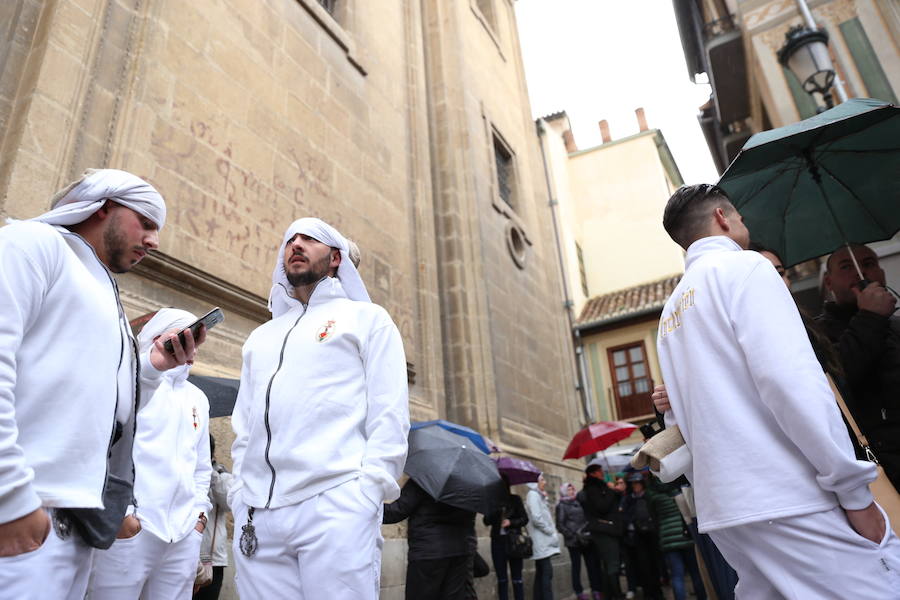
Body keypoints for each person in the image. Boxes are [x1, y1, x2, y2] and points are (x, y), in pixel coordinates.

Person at [657, 183, 899, 597]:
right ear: (722, 219)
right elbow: (792, 383)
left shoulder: (672, 311)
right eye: (740, 218)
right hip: (788, 493)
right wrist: (852, 491)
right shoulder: (746, 268)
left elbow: (680, 420)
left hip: (726, 509)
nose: (743, 225)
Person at [0, 169, 201, 599]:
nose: (154, 241)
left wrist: (149, 370)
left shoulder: (102, 288)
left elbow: (104, 410)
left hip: (72, 527)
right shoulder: (34, 245)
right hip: (24, 516)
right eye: (146, 223)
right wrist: (10, 496)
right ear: (101, 206)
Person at [229, 217, 410, 599]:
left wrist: (367, 493)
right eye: (290, 239)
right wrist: (239, 493)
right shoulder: (261, 337)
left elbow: (389, 412)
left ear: (335, 258)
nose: (296, 244)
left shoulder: (367, 320)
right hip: (258, 515)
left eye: (310, 238)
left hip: (336, 505)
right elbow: (244, 424)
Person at [89, 308, 212, 599]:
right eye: (182, 338)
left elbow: (201, 467)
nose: (189, 348)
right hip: (131, 530)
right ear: (157, 337)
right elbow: (104, 447)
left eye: (194, 340)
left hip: (182, 536)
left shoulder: (198, 398)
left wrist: (199, 519)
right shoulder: (127, 382)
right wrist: (124, 515)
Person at [817, 243, 900, 488]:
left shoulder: (895, 326)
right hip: (879, 470)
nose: (860, 272)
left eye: (869, 264)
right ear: (829, 283)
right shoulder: (819, 334)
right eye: (847, 267)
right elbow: (839, 380)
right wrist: (870, 318)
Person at [382, 478, 476, 600]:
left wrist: (365, 506)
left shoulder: (425, 478)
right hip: (460, 552)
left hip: (429, 552)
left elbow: (397, 511)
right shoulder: (471, 483)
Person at [645, 477, 706, 600]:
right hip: (686, 535)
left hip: (667, 538)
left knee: (677, 576)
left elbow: (653, 517)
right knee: (696, 573)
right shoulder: (678, 487)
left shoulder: (651, 493)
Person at [194, 435, 233, 600]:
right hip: (186, 553)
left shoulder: (222, 476)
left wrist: (210, 475)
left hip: (213, 559)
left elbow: (228, 503)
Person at [578, 464, 624, 600]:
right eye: (599, 471)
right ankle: (616, 595)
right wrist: (610, 490)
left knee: (610, 564)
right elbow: (602, 507)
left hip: (608, 529)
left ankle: (611, 594)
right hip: (605, 530)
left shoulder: (599, 487)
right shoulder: (593, 489)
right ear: (592, 474)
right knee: (612, 565)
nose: (602, 473)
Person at [484, 475, 529, 600]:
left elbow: (524, 519)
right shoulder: (492, 502)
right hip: (498, 543)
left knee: (517, 579)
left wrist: (511, 522)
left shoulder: (515, 499)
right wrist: (496, 511)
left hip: (514, 542)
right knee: (502, 579)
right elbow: (486, 521)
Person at [620, 472, 663, 600]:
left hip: (652, 535)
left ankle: (658, 593)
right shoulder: (629, 499)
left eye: (637, 483)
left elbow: (656, 514)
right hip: (637, 537)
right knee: (643, 566)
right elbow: (625, 517)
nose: (636, 486)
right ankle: (648, 593)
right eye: (633, 484)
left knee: (655, 565)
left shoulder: (649, 496)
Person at [555, 482, 601, 600]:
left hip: (586, 538)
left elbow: (586, 516)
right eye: (569, 489)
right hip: (573, 541)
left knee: (591, 566)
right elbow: (560, 524)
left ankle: (595, 589)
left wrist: (586, 530)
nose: (571, 491)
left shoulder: (579, 501)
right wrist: (572, 535)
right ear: (564, 491)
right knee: (576, 567)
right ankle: (579, 592)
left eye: (572, 489)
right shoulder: (561, 505)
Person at [524, 474, 560, 600]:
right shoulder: (533, 495)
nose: (545, 482)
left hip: (543, 541)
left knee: (542, 573)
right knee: (546, 573)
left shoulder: (537, 495)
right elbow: (537, 518)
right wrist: (550, 531)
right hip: (541, 541)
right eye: (542, 480)